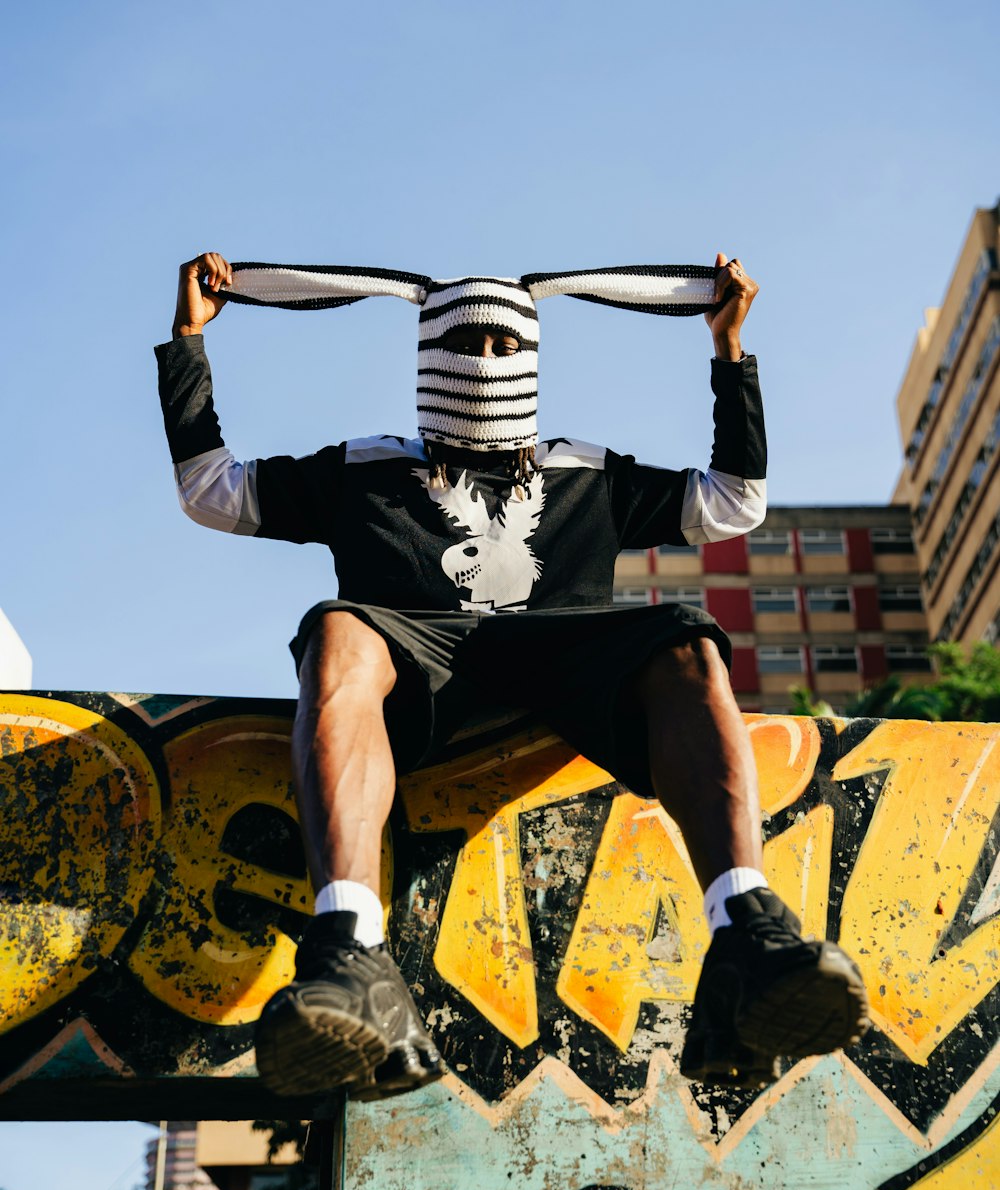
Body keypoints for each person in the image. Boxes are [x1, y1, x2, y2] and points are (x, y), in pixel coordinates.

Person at [155, 251, 870, 1101]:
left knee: (687, 638)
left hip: (569, 658)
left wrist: (728, 353)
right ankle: (349, 947)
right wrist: (188, 343)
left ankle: (747, 929)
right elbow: (212, 491)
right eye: (467, 341)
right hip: (412, 663)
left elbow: (732, 502)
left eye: (504, 343)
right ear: (428, 355)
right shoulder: (366, 471)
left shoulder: (586, 473)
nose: (487, 360)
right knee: (338, 629)